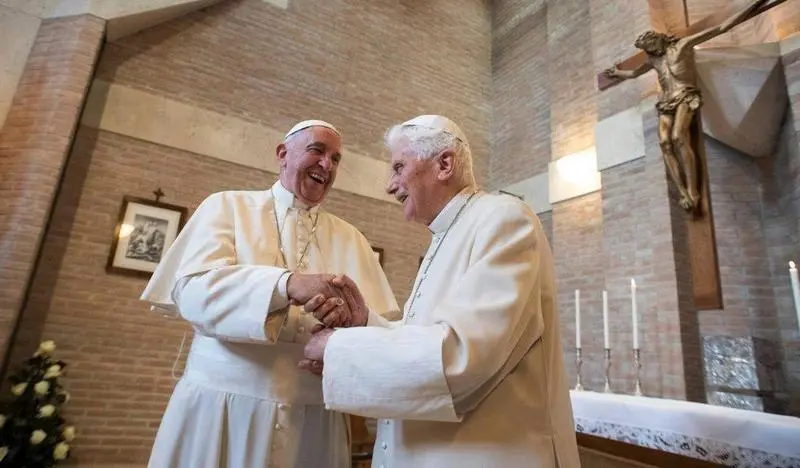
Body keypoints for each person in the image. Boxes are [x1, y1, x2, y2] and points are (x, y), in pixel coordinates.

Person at [299, 115, 581, 467]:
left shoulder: (503, 219)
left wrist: (337, 347)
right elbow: (430, 337)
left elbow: (463, 357)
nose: (390, 185)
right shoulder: (446, 236)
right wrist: (366, 322)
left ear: (444, 164)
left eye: (399, 167)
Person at [139, 119, 400, 468]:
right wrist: (286, 284)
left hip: (314, 421)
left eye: (336, 159)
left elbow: (378, 328)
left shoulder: (353, 239)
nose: (327, 165)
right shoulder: (226, 207)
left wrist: (343, 337)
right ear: (282, 154)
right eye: (317, 151)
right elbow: (193, 293)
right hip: (221, 409)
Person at [602, 0, 785, 212]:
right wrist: (617, 73)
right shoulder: (654, 60)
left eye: (650, 47)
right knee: (664, 143)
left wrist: (754, 5)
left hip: (685, 95)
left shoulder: (683, 45)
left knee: (679, 137)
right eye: (646, 50)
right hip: (666, 101)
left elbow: (721, 27)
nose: (650, 52)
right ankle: (682, 192)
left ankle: (694, 191)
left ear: (657, 40)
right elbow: (634, 73)